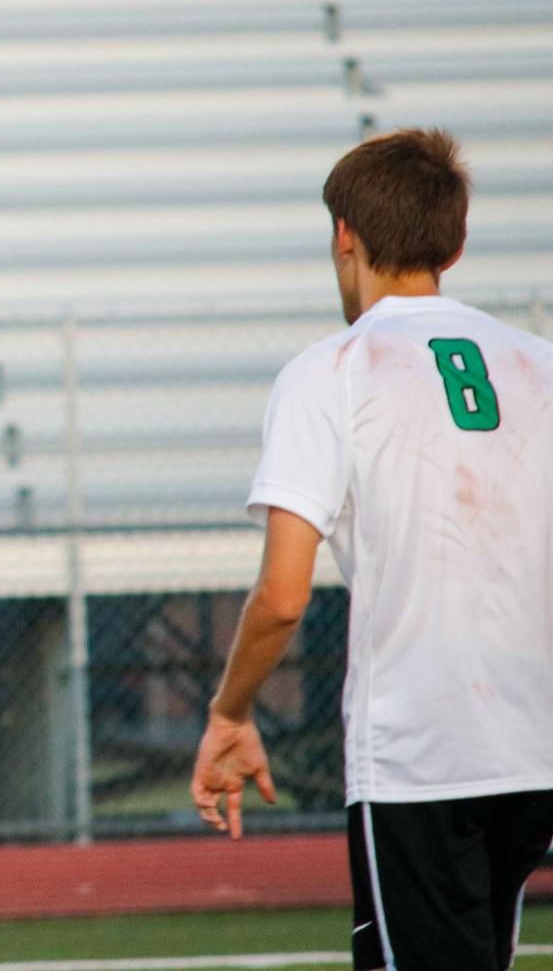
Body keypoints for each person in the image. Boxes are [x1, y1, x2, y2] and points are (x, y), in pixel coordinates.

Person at [189, 128, 553, 971]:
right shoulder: (538, 365)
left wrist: (229, 713)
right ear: (453, 245)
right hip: (533, 746)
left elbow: (282, 596)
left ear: (343, 234)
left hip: (420, 753)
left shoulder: (330, 372)